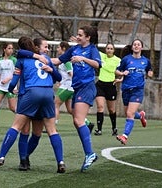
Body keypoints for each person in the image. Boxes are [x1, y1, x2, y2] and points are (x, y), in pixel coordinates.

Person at [0, 36, 66, 173]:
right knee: (46, 131)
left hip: (29, 95)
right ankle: (60, 161)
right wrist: (52, 70)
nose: (47, 49)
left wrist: (12, 88)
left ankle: (3, 157)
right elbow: (59, 78)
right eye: (46, 47)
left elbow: (14, 79)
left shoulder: (22, 59)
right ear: (35, 47)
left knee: (19, 128)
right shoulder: (45, 59)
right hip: (48, 94)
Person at [51, 25, 101, 172]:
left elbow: (98, 64)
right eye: (77, 35)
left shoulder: (92, 49)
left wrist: (83, 59)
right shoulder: (74, 49)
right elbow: (58, 61)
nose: (77, 37)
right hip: (77, 88)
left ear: (88, 37)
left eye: (80, 35)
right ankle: (89, 153)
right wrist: (40, 57)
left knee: (78, 120)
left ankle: (90, 153)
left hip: (87, 87)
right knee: (76, 120)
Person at [115, 39, 153, 145]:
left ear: (141, 47)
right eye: (134, 44)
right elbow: (117, 70)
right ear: (132, 47)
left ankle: (125, 136)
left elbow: (150, 70)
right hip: (126, 89)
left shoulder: (145, 61)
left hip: (138, 90)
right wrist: (122, 74)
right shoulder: (126, 59)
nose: (136, 46)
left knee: (129, 113)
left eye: (138, 44)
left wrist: (150, 73)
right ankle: (140, 116)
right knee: (128, 113)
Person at [54, 41, 95, 133]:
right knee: (70, 109)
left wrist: (69, 81)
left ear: (63, 48)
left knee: (55, 104)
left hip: (67, 87)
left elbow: (71, 73)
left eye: (58, 47)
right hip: (68, 87)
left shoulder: (66, 61)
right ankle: (87, 123)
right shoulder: (66, 59)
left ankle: (53, 126)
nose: (57, 49)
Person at [94, 43, 121, 136]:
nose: (109, 50)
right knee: (100, 106)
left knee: (111, 109)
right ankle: (99, 129)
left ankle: (114, 128)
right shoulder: (101, 56)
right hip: (100, 84)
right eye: (108, 48)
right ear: (105, 50)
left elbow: (123, 71)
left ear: (114, 50)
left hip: (111, 85)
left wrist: (120, 78)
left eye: (111, 48)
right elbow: (92, 49)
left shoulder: (117, 60)